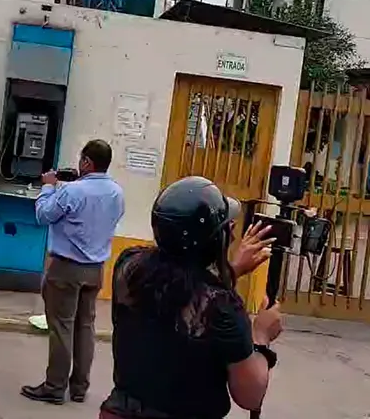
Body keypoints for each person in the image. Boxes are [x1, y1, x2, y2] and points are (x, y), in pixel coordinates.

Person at [100, 176, 282, 419]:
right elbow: (250, 396)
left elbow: (184, 290)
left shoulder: (130, 267)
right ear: (216, 240)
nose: (233, 234)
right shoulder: (223, 308)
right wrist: (261, 336)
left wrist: (231, 270)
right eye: (228, 229)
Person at [21, 139, 124, 405]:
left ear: (87, 162)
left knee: (61, 327)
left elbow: (44, 215)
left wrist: (48, 187)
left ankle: (55, 386)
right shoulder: (116, 193)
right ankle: (79, 387)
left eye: (81, 160)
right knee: (85, 326)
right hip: (95, 269)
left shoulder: (73, 192)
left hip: (67, 268)